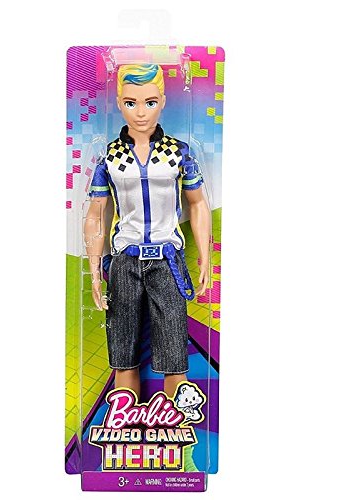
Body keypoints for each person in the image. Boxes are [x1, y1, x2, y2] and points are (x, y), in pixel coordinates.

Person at [83, 63, 211, 400]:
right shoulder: (110, 157)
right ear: (119, 103)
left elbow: (198, 204)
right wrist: (95, 272)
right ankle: (124, 421)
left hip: (167, 261)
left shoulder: (178, 153)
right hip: (125, 260)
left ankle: (173, 422)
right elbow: (96, 215)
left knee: (174, 353)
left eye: (150, 102)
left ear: (163, 101)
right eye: (131, 102)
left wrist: (206, 258)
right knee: (123, 353)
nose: (141, 112)